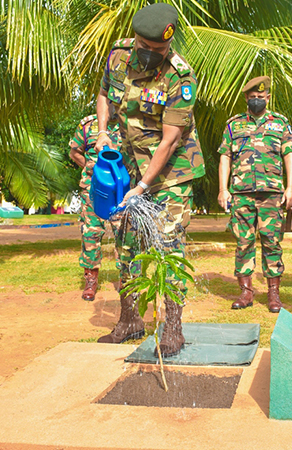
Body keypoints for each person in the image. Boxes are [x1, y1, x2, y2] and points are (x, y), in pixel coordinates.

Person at [94, 3, 205, 357]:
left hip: (172, 174)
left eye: (159, 51)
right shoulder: (118, 55)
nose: (151, 56)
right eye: (146, 48)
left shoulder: (179, 77)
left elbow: (170, 140)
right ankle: (129, 319)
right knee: (126, 245)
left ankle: (172, 327)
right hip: (129, 166)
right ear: (136, 38)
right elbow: (103, 94)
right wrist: (102, 132)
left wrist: (141, 189)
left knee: (168, 246)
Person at [217, 76, 292, 313]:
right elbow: (225, 156)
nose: (256, 101)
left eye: (260, 98)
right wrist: (223, 189)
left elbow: (289, 155)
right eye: (252, 98)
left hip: (272, 193)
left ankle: (274, 293)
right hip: (241, 193)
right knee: (243, 242)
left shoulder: (280, 124)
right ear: (246, 98)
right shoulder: (234, 125)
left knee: (272, 241)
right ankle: (246, 292)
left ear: (268, 98)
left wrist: (291, 189)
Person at [68, 109, 122, 301]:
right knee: (90, 233)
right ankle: (91, 280)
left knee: (124, 232)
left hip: (121, 190)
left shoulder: (130, 123)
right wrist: (93, 171)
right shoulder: (88, 125)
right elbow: (74, 152)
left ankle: (126, 279)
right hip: (92, 189)